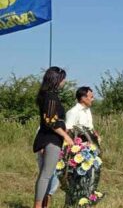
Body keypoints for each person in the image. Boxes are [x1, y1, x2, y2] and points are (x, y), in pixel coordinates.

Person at [33, 67, 74, 208]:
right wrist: (66, 136)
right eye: (63, 78)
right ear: (56, 80)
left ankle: (42, 205)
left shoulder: (46, 95)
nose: (64, 81)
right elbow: (51, 121)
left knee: (46, 175)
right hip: (51, 139)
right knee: (46, 175)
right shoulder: (51, 97)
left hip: (48, 137)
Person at [64, 86, 102, 206]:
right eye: (91, 96)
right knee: (76, 181)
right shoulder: (73, 112)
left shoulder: (87, 111)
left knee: (90, 179)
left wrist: (96, 136)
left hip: (90, 150)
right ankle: (73, 204)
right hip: (77, 152)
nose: (93, 99)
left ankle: (86, 202)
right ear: (83, 98)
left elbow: (90, 128)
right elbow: (68, 131)